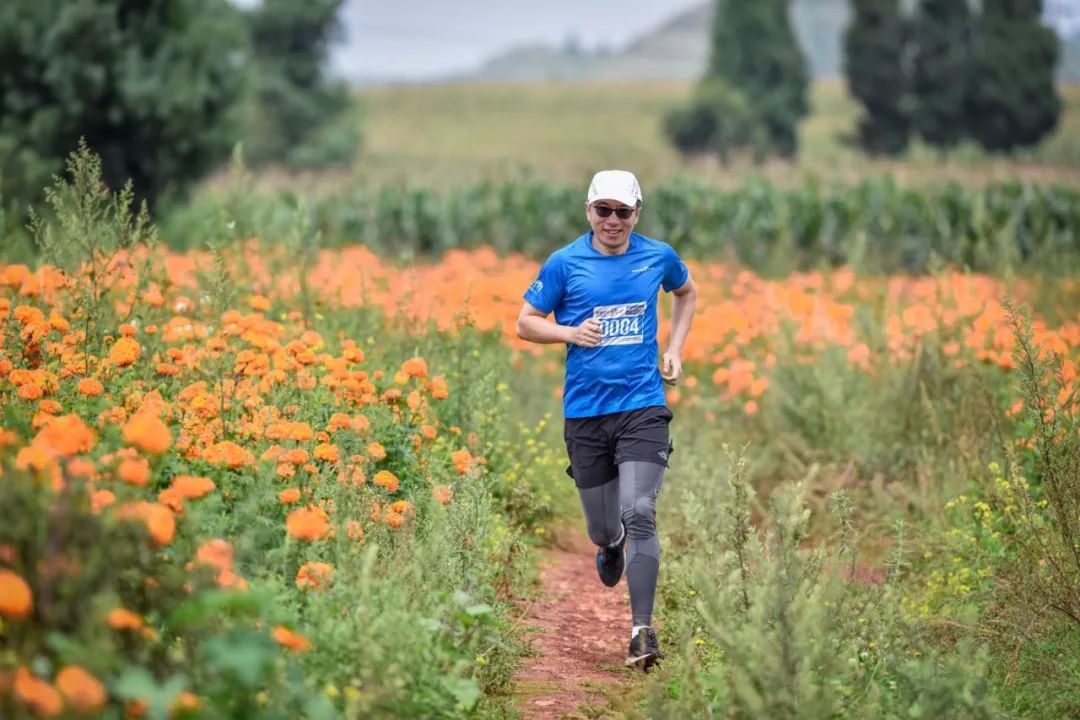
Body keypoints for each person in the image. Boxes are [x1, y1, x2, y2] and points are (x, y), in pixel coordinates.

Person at [516, 169, 697, 671]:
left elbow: (686, 293)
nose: (613, 221)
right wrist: (570, 333)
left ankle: (642, 630)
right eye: (604, 211)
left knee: (640, 509)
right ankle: (611, 543)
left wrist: (675, 350)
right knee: (603, 526)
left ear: (637, 213)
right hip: (587, 414)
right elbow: (525, 322)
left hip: (642, 406)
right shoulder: (564, 263)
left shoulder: (657, 256)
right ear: (588, 211)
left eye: (623, 211)